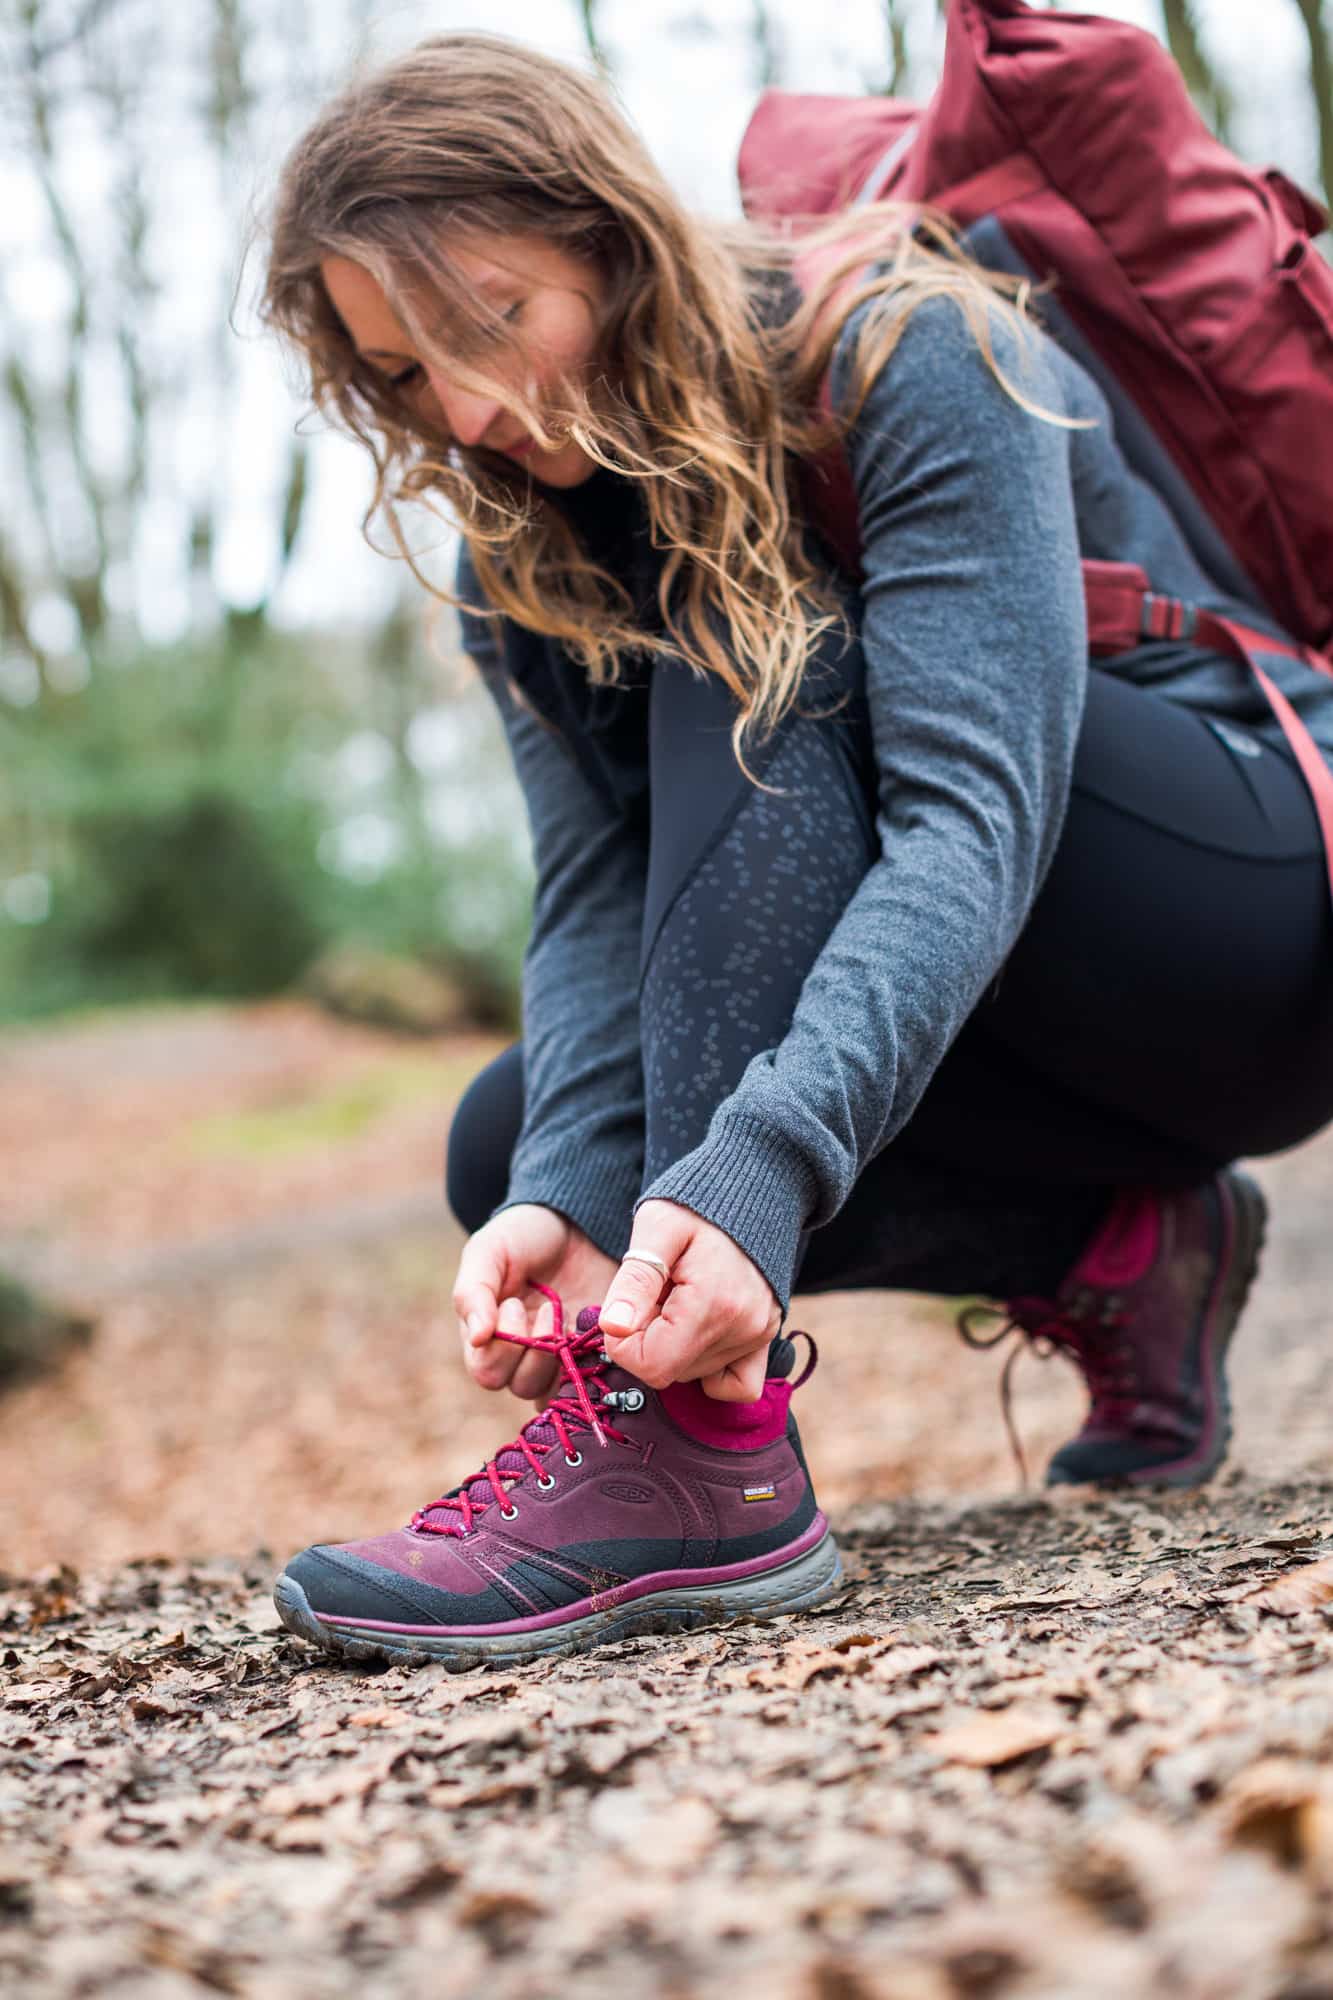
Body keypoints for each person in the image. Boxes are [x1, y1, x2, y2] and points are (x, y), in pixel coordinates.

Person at [259, 30, 1333, 1666]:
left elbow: (972, 817)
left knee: (753, 630)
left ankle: (692, 1446)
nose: (467, 405)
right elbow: (601, 896)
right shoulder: (515, 551)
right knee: (523, 1139)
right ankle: (1136, 1251)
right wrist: (568, 1189)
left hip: (1245, 903)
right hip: (1033, 1001)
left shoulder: (901, 338)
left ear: (607, 239)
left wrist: (753, 1172)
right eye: (402, 371)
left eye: (495, 320)